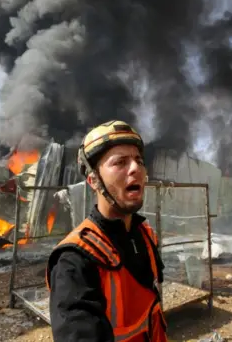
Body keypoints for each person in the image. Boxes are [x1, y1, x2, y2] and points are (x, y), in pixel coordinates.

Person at [46, 120, 167, 342]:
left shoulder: (146, 234)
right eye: (120, 162)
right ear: (93, 181)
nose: (135, 169)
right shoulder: (74, 260)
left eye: (139, 161)